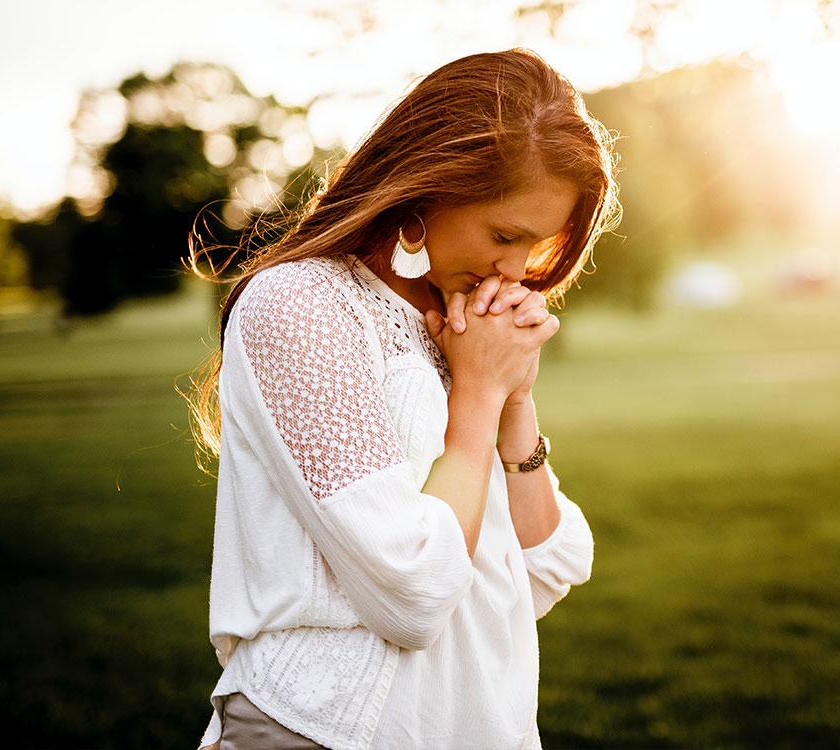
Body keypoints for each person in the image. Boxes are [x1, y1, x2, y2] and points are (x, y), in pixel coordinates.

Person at [187, 48, 620, 750]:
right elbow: (414, 591)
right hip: (319, 731)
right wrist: (477, 395)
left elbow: (548, 565)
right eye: (503, 235)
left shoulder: (458, 324)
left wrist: (513, 397)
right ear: (425, 190)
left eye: (535, 244)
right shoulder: (303, 305)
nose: (515, 270)